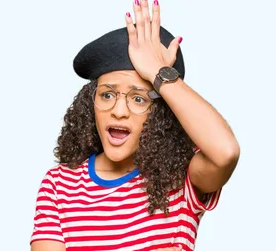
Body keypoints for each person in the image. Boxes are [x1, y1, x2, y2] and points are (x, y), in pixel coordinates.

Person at [29, 0, 240, 250]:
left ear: (161, 112)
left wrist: (159, 72)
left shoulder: (182, 178)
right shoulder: (59, 184)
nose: (119, 112)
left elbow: (226, 152)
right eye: (107, 95)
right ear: (90, 104)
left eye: (138, 99)